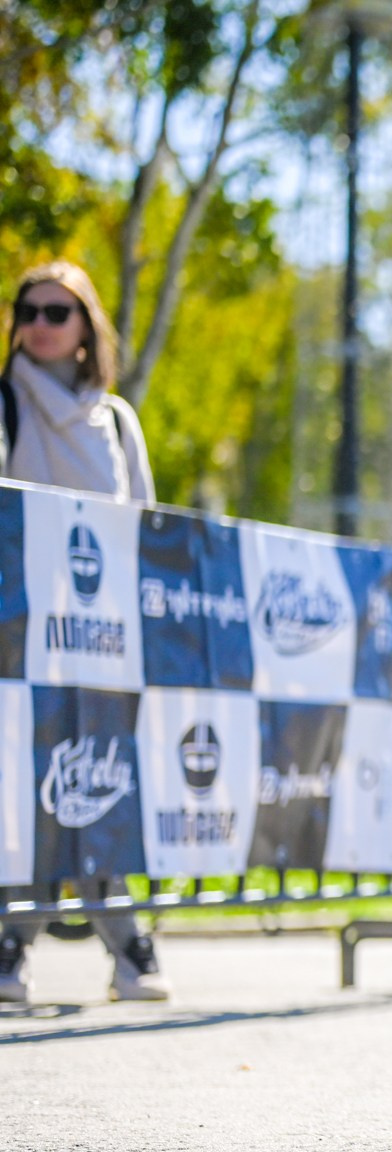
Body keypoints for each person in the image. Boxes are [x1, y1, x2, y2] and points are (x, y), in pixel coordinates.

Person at [0, 260, 166, 1003]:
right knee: (32, 795)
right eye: (26, 309)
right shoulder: (7, 404)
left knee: (96, 786)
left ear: (84, 328)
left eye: (55, 311)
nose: (38, 322)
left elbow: (147, 530)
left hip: (103, 644)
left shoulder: (118, 419)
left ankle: (127, 949)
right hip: (22, 635)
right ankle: (20, 946)